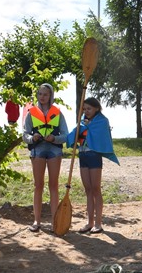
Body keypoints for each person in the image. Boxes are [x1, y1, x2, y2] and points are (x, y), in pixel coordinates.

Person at [66, 97, 119, 234]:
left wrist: (88, 126)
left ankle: (98, 223)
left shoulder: (102, 121)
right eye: (84, 109)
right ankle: (89, 222)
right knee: (88, 189)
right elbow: (73, 135)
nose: (86, 111)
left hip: (94, 156)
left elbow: (102, 137)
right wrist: (77, 132)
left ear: (96, 108)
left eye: (89, 108)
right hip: (83, 155)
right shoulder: (82, 122)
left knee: (95, 188)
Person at [21, 84, 68, 232]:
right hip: (38, 149)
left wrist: (54, 138)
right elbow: (25, 134)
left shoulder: (58, 113)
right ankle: (37, 221)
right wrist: (32, 138)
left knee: (53, 185)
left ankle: (55, 221)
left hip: (54, 150)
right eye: (40, 94)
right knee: (38, 185)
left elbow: (65, 135)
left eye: (45, 94)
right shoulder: (31, 113)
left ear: (50, 96)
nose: (42, 97)